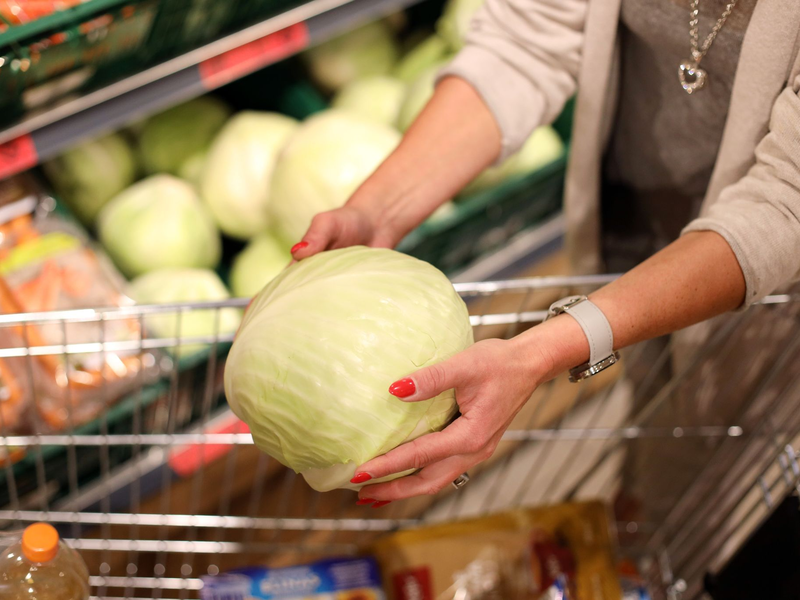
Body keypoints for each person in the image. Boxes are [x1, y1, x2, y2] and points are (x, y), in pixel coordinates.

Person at [291, 0, 800, 505]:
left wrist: (539, 352)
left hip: (766, 298)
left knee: (702, 466)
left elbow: (786, 200)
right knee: (653, 417)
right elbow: (524, 41)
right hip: (636, 233)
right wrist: (377, 210)